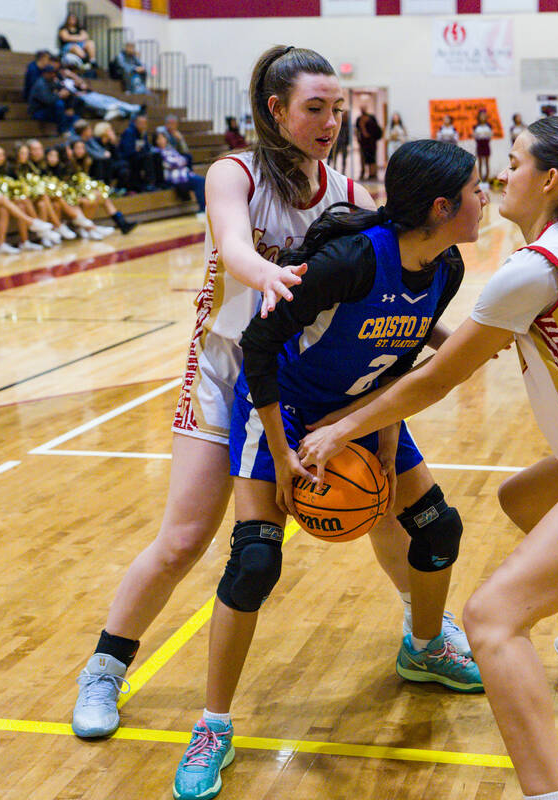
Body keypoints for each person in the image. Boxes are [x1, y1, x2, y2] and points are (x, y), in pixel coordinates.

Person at [69, 44, 472, 748]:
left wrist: (448, 338)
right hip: (229, 369)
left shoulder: (348, 194)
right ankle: (105, 665)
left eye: (337, 111)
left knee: (379, 504)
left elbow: (393, 279)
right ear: (274, 109)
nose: (330, 123)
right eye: (315, 109)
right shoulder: (233, 174)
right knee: (187, 536)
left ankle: (425, 632)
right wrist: (268, 273)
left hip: (304, 373)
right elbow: (233, 247)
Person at [300, 115, 558, 800]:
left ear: (549, 180)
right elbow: (453, 354)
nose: (500, 175)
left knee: (492, 620)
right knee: (521, 498)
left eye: (514, 162)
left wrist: (340, 430)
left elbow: (436, 380)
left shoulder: (532, 269)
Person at [170, 138, 487, 799]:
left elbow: (398, 369)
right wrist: (284, 455)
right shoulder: (348, 261)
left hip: (360, 408)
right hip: (281, 409)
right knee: (255, 562)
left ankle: (424, 645)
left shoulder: (447, 268)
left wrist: (376, 440)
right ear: (440, 206)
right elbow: (258, 344)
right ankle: (213, 725)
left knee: (436, 530)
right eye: (475, 190)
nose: (484, 198)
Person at [154, 129, 205, 213]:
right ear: (156, 141)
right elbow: (170, 163)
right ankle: (202, 210)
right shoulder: (158, 152)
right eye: (159, 138)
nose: (162, 140)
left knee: (202, 180)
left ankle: (203, 208)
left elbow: (183, 159)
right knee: (200, 182)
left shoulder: (170, 149)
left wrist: (179, 161)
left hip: (184, 174)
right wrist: (180, 162)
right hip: (175, 177)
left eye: (163, 138)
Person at [28, 65, 77, 134]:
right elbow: (48, 100)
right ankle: (62, 131)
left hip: (50, 109)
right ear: (44, 73)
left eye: (54, 73)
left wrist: (69, 107)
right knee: (59, 105)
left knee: (74, 117)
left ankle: (72, 133)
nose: (53, 75)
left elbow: (69, 92)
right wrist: (59, 95)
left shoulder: (52, 82)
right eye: (50, 73)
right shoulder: (40, 84)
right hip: (38, 111)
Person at [119, 113, 162, 192]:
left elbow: (146, 148)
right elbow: (128, 151)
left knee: (156, 155)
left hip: (139, 156)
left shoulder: (143, 133)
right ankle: (149, 184)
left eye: (145, 123)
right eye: (141, 123)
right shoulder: (129, 132)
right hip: (128, 158)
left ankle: (159, 182)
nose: (143, 125)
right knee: (147, 157)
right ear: (135, 123)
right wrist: (137, 150)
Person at [356, 105, 382, 181]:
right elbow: (358, 131)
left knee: (372, 159)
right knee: (363, 159)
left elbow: (375, 130)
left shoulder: (371, 118)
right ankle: (363, 173)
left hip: (371, 143)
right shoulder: (359, 119)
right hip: (363, 143)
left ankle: (373, 174)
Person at [473, 108, 492, 184]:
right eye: (481, 115)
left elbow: (490, 136)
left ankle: (486, 179)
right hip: (479, 144)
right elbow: (475, 136)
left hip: (486, 144)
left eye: (484, 115)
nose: (483, 117)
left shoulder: (489, 126)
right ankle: (480, 178)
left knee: (487, 163)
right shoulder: (476, 126)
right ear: (479, 117)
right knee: (480, 163)